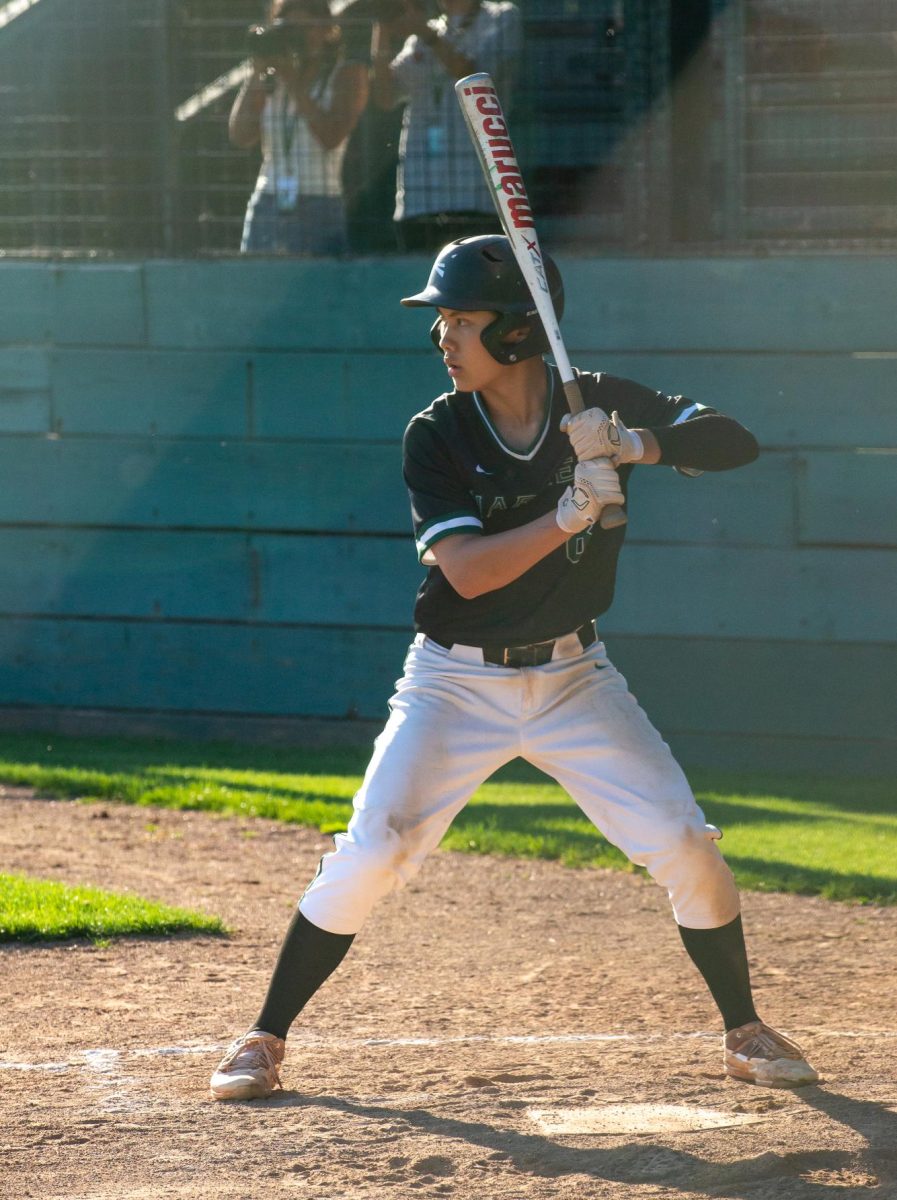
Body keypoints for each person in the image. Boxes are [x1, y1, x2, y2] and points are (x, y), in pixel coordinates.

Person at [209, 234, 819, 1101]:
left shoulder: (596, 402)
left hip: (576, 677)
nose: (443, 338)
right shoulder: (439, 432)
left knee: (686, 845)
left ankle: (744, 1028)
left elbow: (733, 442)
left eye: (462, 320)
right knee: (373, 850)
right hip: (453, 683)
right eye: (443, 321)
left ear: (521, 334)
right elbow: (467, 571)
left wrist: (631, 444)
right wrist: (572, 510)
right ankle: (264, 1037)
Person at [370, 0, 522, 252]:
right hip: (420, 198)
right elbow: (385, 97)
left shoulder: (502, 17)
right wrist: (382, 27)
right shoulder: (422, 33)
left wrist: (427, 34)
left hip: (477, 194)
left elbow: (471, 75)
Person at [229, 0, 368, 254]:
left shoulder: (347, 74)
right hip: (268, 199)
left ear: (327, 30)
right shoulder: (272, 78)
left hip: (319, 201)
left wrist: (293, 81)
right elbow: (241, 135)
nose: (298, 38)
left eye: (305, 29)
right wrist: (257, 72)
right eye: (290, 29)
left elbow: (331, 136)